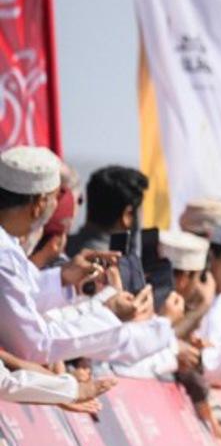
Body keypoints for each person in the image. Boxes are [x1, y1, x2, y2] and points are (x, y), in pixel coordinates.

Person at [0, 146, 176, 366]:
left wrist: (64, 279)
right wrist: (110, 313)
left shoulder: (9, 247)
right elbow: (36, 345)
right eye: (56, 198)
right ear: (39, 204)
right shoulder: (4, 255)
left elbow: (22, 295)